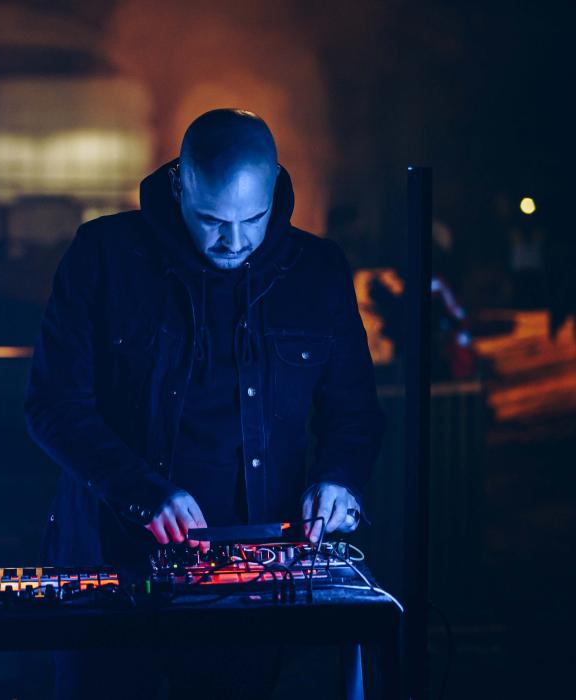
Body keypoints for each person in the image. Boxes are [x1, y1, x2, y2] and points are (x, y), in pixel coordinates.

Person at [24, 109, 384, 698]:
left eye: (254, 219)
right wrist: (141, 491)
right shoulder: (104, 254)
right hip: (114, 573)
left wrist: (340, 481)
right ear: (177, 185)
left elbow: (355, 414)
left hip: (254, 586)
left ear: (275, 192)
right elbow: (52, 404)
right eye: (212, 220)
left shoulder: (317, 271)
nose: (234, 242)